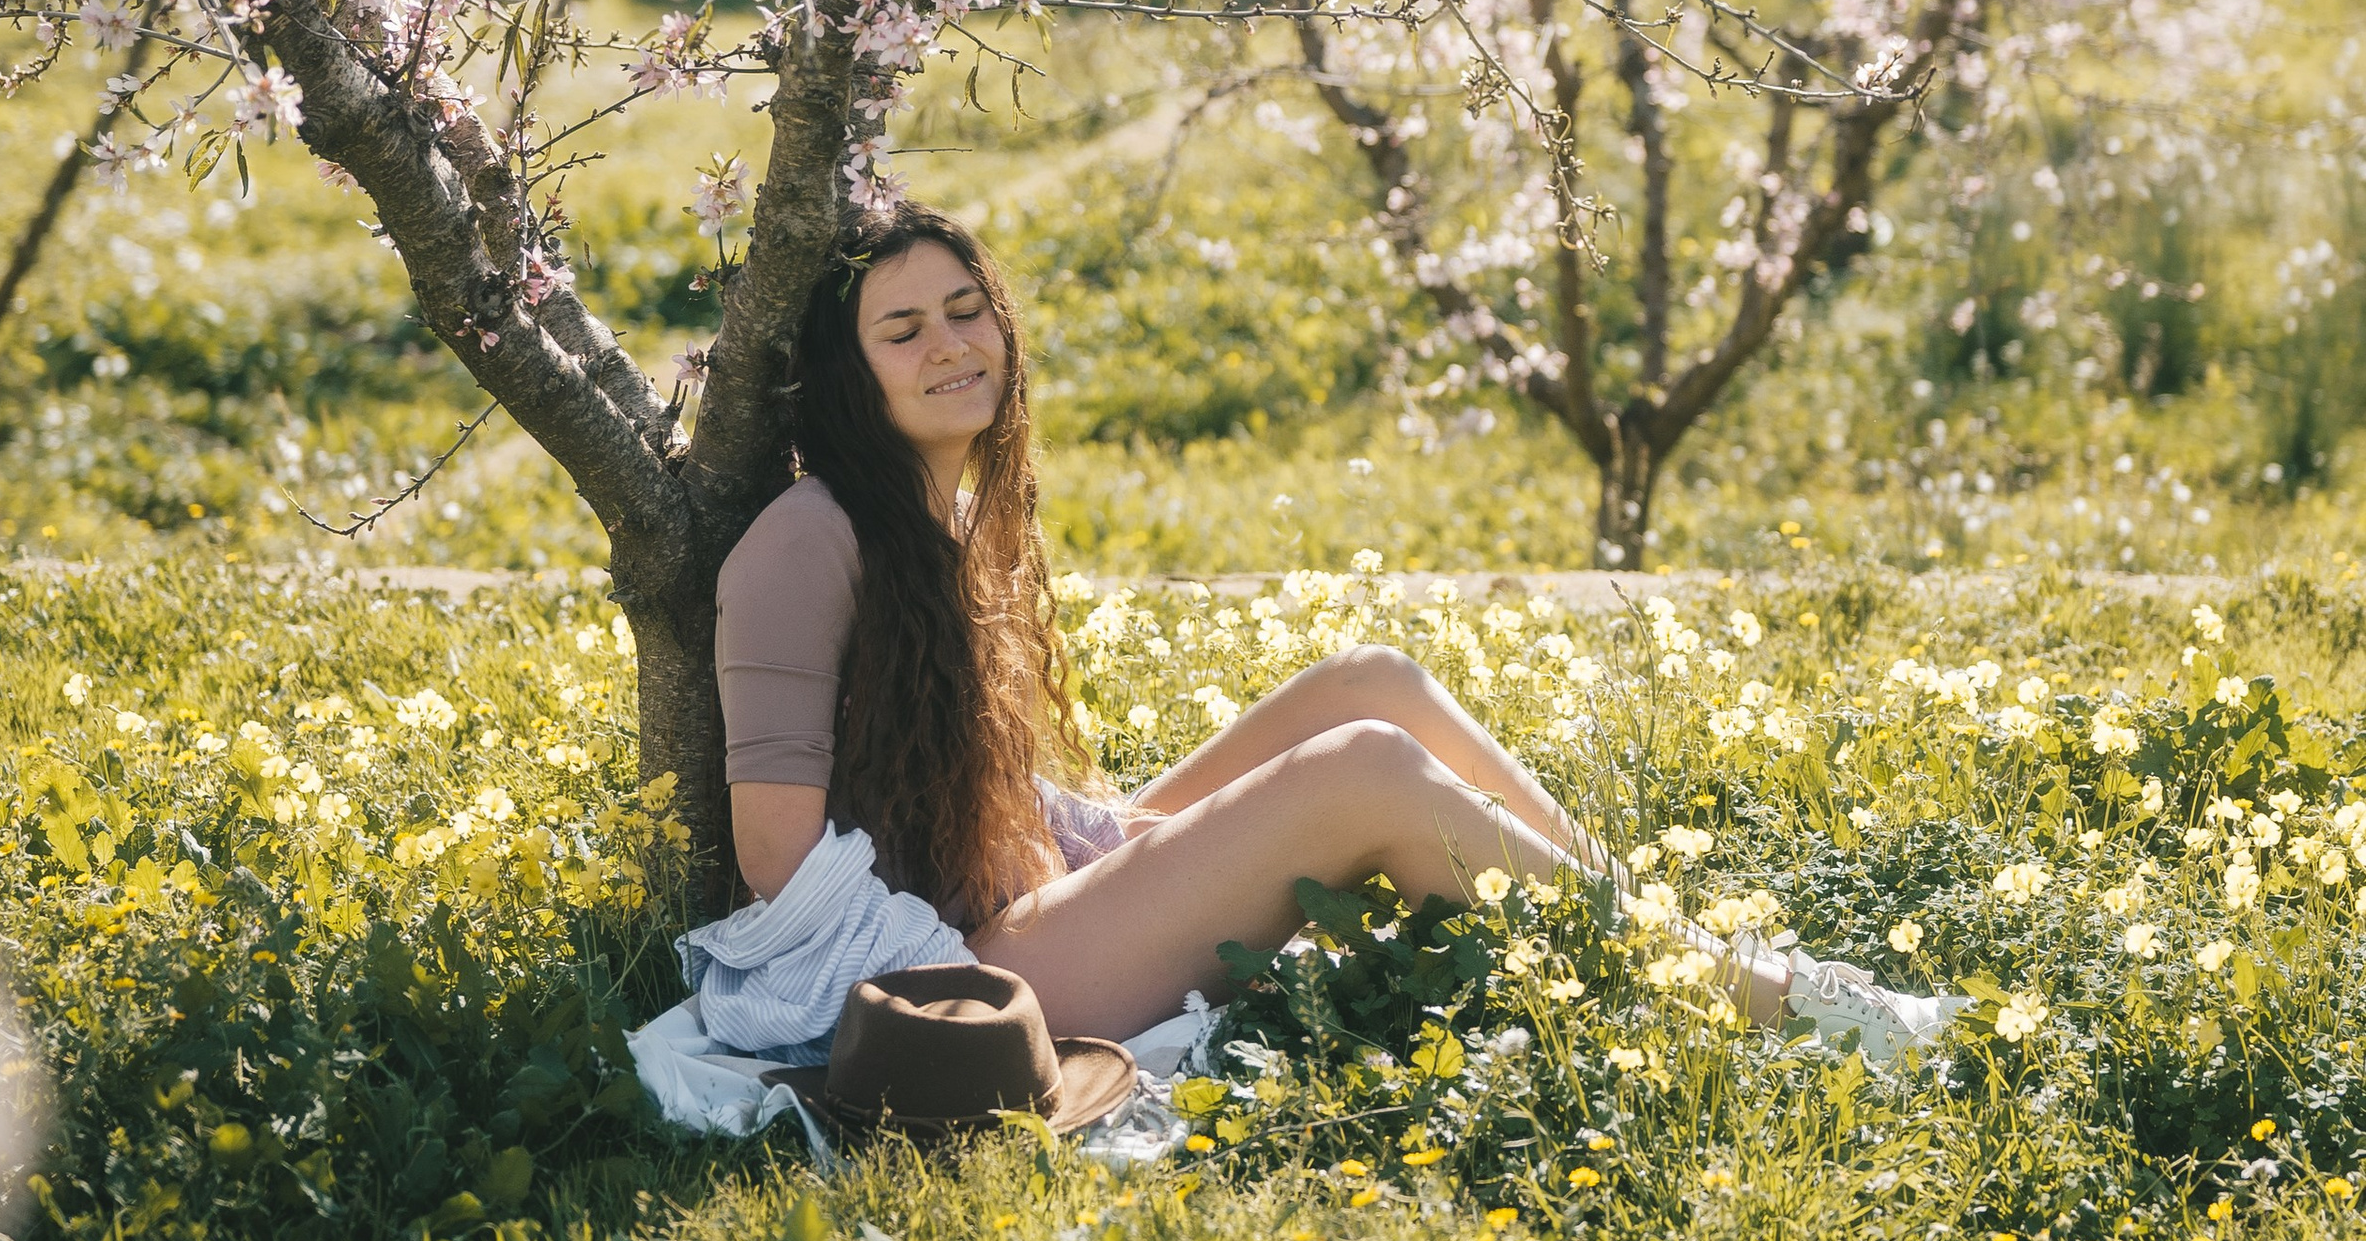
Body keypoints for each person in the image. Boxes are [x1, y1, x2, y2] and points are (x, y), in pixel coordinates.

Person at [695, 198, 1951, 1066]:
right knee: (1364, 773)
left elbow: (946, 783)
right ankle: (1770, 1010)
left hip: (1025, 896)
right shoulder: (809, 539)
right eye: (901, 330)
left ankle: (1661, 943)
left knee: (1373, 682)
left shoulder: (940, 515)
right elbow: (777, 865)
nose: (950, 346)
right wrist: (962, 984)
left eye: (966, 310)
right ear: (850, 375)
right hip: (971, 969)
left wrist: (1086, 841)